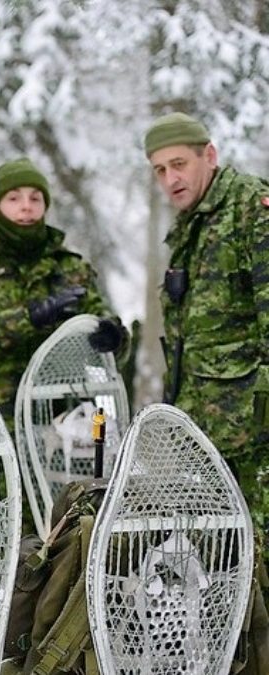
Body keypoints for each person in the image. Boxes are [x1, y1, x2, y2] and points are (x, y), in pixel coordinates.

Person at [144, 112, 269, 569]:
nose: (170, 178)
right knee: (225, 575)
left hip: (255, 442)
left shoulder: (251, 210)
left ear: (209, 156)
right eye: (160, 170)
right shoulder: (189, 227)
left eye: (179, 164)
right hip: (206, 439)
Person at [0, 158, 126, 423]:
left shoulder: (71, 268)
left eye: (35, 199)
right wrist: (27, 318)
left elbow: (107, 339)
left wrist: (114, 337)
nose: (26, 207)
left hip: (66, 429)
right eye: (13, 198)